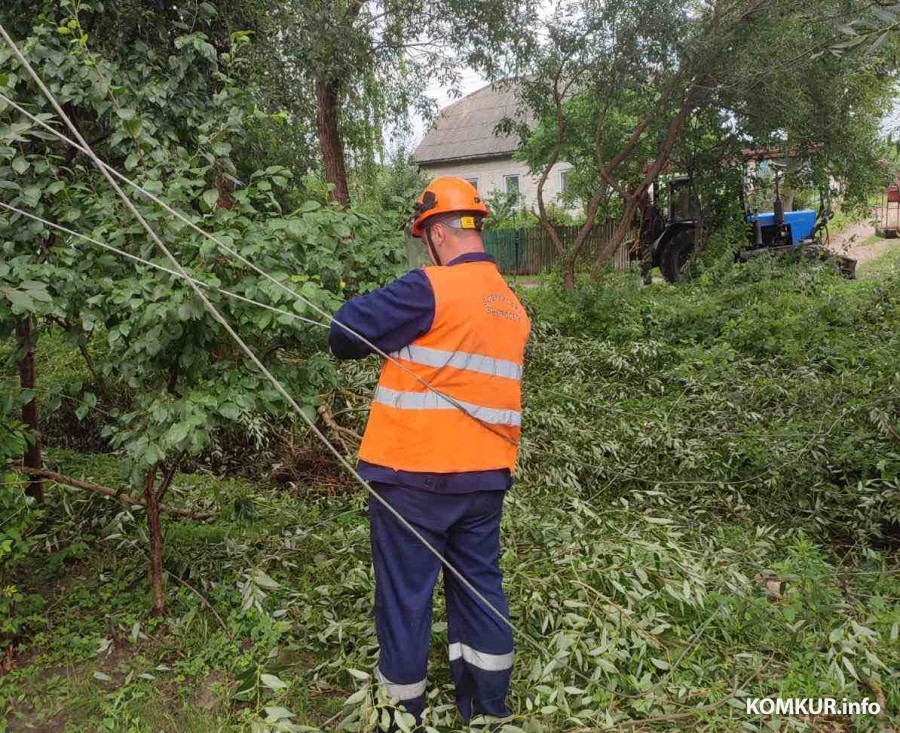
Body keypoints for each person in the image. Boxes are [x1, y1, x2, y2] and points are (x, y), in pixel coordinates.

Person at [328, 177, 531, 727]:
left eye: (425, 236)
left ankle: (403, 712)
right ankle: (486, 707)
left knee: (406, 598)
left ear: (438, 233)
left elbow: (344, 332)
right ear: (476, 227)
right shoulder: (513, 308)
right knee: (479, 587)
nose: (426, 247)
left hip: (412, 477)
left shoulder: (429, 289)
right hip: (485, 480)